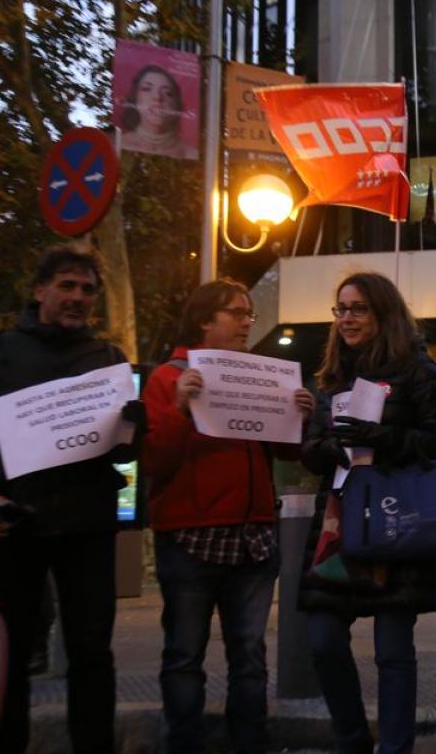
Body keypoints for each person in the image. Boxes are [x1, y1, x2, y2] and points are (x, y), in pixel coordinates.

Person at [0, 244, 144, 753]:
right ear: (39, 290)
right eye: (67, 286)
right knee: (14, 656)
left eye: (87, 289)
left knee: (93, 654)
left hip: (87, 526)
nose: (78, 297)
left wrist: (135, 426)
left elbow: (122, 455)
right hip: (15, 526)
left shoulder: (108, 360)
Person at [141, 278, 314, 754]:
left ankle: (250, 743)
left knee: (251, 659)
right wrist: (179, 409)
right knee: (183, 657)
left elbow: (286, 450)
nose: (245, 322)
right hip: (189, 540)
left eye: (248, 314)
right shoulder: (165, 379)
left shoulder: (255, 376)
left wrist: (298, 415)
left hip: (252, 538)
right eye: (236, 313)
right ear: (204, 321)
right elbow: (154, 461)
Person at [299, 271, 436, 754]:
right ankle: (352, 740)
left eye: (357, 308)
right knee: (322, 640)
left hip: (395, 518)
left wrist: (383, 439)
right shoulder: (332, 376)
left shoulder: (418, 372)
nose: (346, 318)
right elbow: (310, 449)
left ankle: (396, 748)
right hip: (339, 522)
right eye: (340, 308)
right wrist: (327, 449)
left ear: (383, 313)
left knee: (392, 650)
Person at [118, 63, 196, 159]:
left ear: (177, 104)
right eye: (147, 89)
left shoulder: (190, 153)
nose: (157, 97)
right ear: (135, 98)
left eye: (168, 93)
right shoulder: (119, 144)